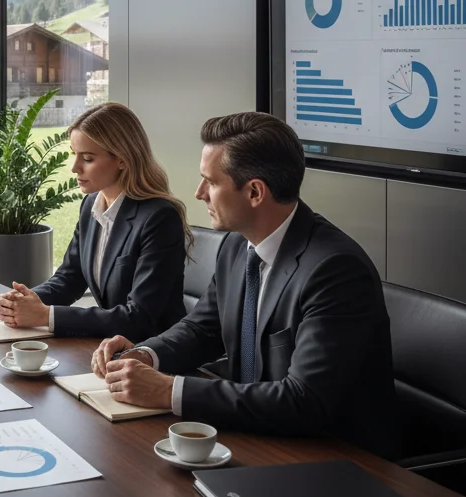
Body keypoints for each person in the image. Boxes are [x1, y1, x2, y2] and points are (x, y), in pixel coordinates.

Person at [91, 112, 398, 458]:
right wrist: (146, 354)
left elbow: (305, 401)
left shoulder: (335, 271)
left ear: (254, 192)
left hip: (334, 461)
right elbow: (203, 328)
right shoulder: (239, 245)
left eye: (211, 181)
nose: (199, 193)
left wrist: (169, 391)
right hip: (255, 435)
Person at [0, 102, 189, 339]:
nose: (75, 168)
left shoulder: (159, 218)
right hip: (104, 346)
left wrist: (46, 316)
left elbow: (139, 317)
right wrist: (23, 302)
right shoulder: (91, 206)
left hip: (150, 355)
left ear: (122, 159)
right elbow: (69, 278)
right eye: (74, 155)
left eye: (87, 158)